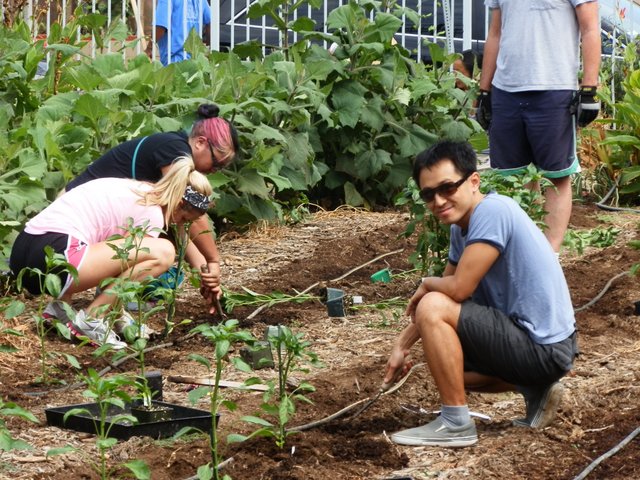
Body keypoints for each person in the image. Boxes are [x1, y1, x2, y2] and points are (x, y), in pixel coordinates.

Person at [384, 140, 577, 447]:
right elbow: (450, 289)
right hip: (538, 347)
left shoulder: (492, 211)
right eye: (428, 194)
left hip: (543, 348)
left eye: (447, 187)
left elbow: (456, 290)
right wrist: (402, 345)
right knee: (444, 361)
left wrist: (426, 283)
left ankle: (455, 423)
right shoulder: (461, 227)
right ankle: (535, 388)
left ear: (474, 181)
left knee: (434, 307)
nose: (439, 200)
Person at [10, 157, 212, 350]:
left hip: (24, 252)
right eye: (184, 218)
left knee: (98, 238)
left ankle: (61, 310)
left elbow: (113, 262)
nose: (180, 225)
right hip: (58, 255)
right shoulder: (152, 212)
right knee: (164, 252)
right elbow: (124, 270)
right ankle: (93, 319)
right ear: (178, 204)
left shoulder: (137, 190)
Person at [64, 103, 237, 316]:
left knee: (164, 234)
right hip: (74, 215)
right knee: (159, 248)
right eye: (216, 163)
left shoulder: (175, 152)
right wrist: (213, 261)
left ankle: (100, 301)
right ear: (201, 143)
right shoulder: (174, 149)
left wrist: (203, 273)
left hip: (94, 218)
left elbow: (182, 225)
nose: (214, 170)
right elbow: (194, 214)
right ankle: (98, 311)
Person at [477, 0, 601, 253]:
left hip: (554, 89)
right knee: (511, 177)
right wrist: (484, 90)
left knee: (556, 176)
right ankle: (519, 249)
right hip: (506, 89)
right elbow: (495, 34)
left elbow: (590, 28)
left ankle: (549, 254)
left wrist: (589, 90)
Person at [146, 0, 211, 66]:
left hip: (174, 61)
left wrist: (149, 48)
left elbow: (160, 27)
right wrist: (208, 51)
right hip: (196, 60)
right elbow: (210, 23)